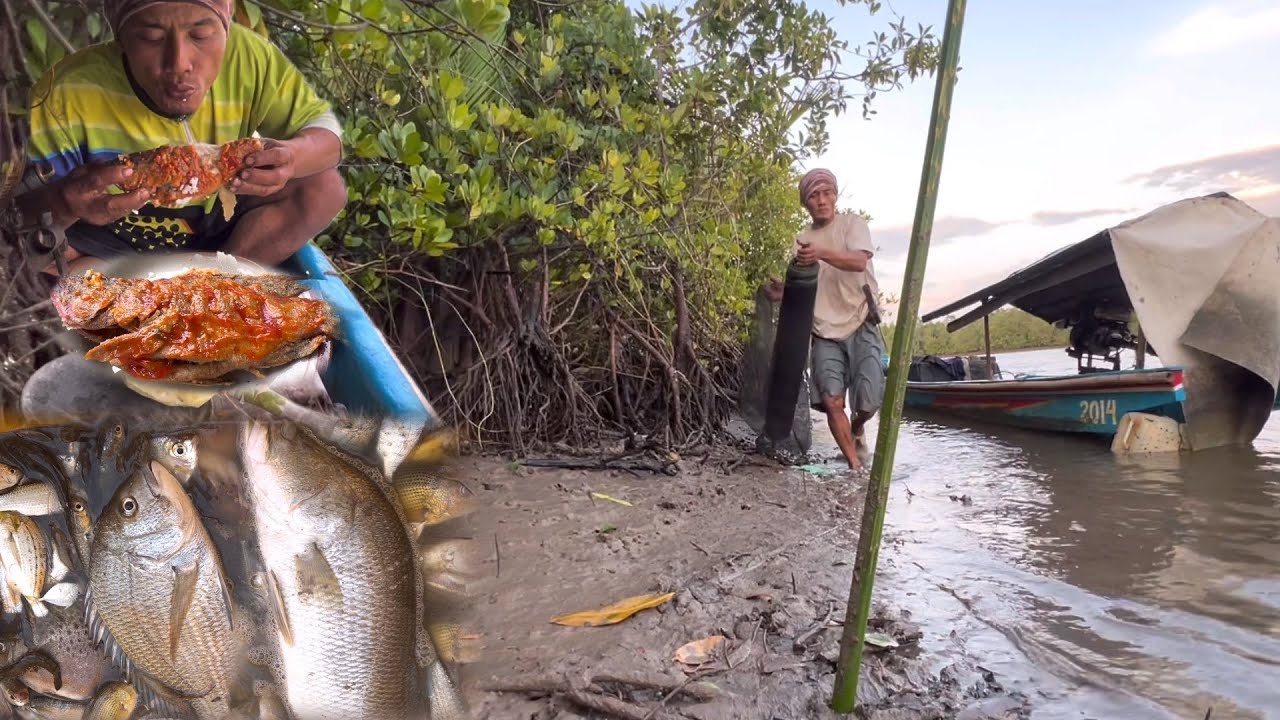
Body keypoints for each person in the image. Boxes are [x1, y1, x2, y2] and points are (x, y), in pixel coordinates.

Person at [12, 0, 346, 273]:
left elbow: (326, 134)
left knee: (322, 188)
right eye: (152, 38)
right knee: (40, 253)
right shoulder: (68, 90)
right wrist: (65, 202)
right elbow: (20, 216)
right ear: (121, 39)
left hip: (214, 224)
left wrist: (292, 156)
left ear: (226, 29)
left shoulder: (250, 58)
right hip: (112, 239)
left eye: (200, 36)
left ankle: (217, 280)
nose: (179, 63)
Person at [767, 168, 885, 473]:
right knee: (833, 402)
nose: (821, 200)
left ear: (835, 195)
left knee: (868, 404)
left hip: (860, 320)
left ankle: (857, 427)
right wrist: (785, 291)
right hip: (823, 331)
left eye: (826, 193)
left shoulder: (852, 225)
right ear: (806, 204)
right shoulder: (802, 240)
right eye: (814, 196)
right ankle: (855, 466)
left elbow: (858, 261)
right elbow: (805, 285)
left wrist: (821, 253)